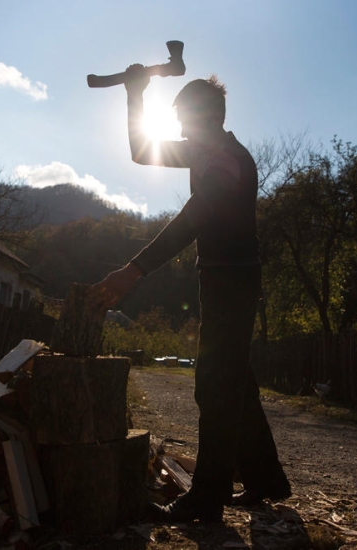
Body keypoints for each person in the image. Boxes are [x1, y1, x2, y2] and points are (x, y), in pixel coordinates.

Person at [88, 64, 291, 523]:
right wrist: (135, 96)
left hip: (235, 279)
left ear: (207, 118)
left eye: (183, 119)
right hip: (219, 276)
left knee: (215, 384)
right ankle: (267, 479)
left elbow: (192, 218)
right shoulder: (202, 153)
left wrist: (133, 270)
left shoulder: (227, 160)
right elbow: (142, 151)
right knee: (236, 380)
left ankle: (208, 496)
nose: (178, 127)